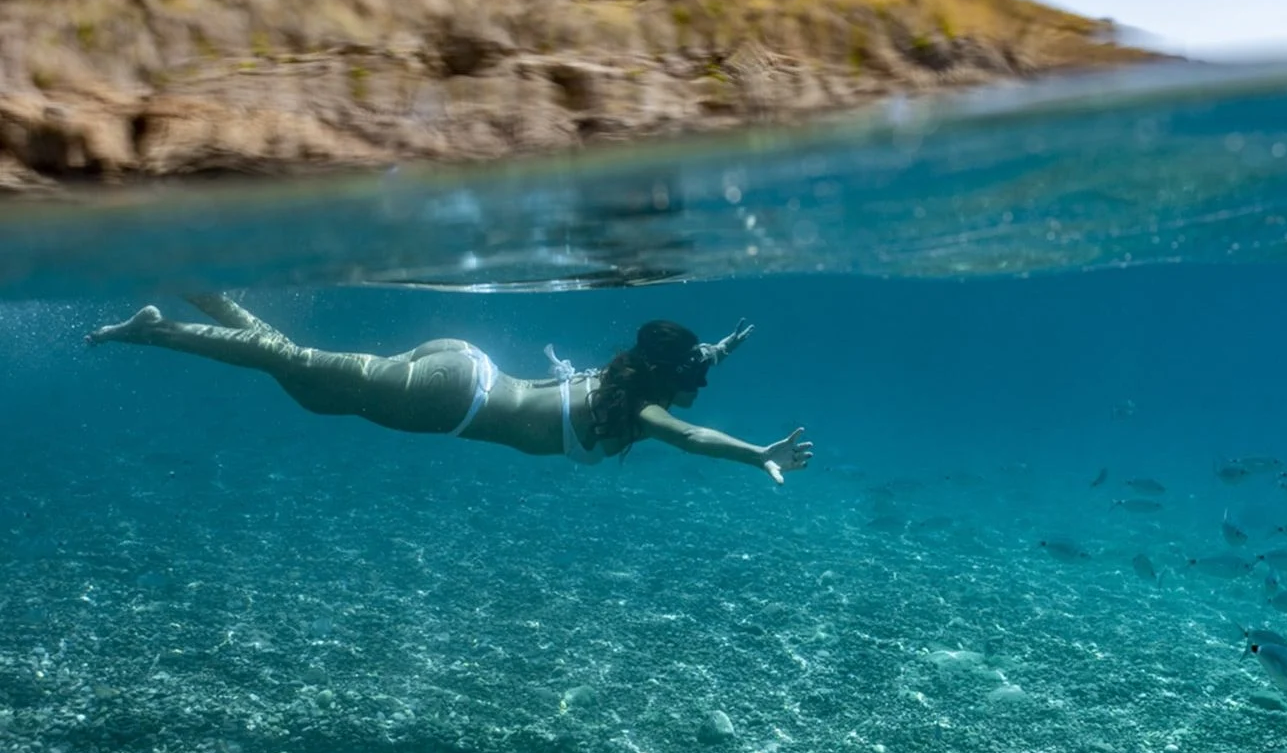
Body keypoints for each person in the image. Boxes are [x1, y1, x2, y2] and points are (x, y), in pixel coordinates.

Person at [85, 294, 814, 484]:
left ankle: (200, 293)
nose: (700, 385)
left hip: (467, 370)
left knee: (305, 383)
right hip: (450, 400)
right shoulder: (642, 411)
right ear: (671, 379)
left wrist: (720, 347)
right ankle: (156, 330)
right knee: (300, 366)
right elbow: (691, 435)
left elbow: (681, 359)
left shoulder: (628, 377)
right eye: (698, 376)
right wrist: (758, 454)